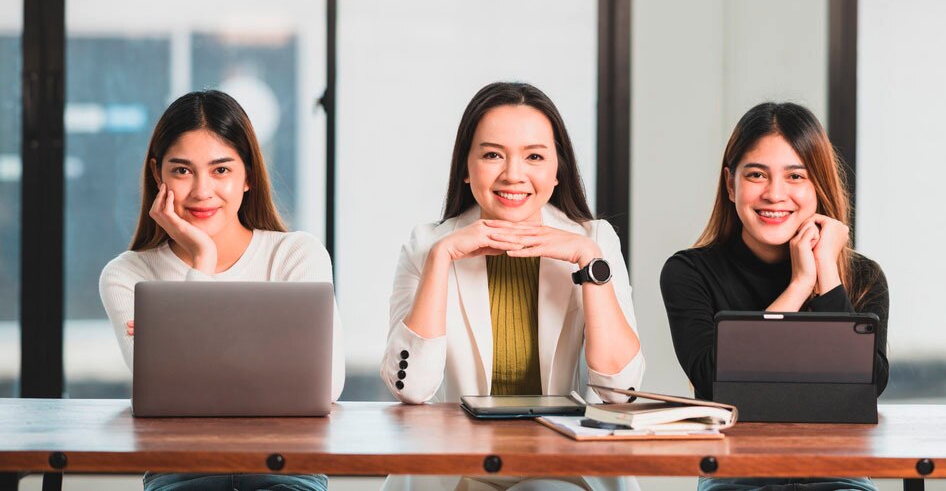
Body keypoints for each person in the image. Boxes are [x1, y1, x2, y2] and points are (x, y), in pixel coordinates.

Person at [381, 81, 644, 491]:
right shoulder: (428, 244)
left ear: (558, 170)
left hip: (561, 461)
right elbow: (410, 388)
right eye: (492, 155)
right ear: (466, 169)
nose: (513, 175)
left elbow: (620, 393)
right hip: (456, 462)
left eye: (534, 156)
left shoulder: (593, 240)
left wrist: (589, 261)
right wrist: (441, 259)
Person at [100, 90, 344, 491]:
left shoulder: (296, 254)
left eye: (220, 170)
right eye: (182, 171)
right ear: (157, 175)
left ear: (247, 175)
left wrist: (182, 341)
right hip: (180, 469)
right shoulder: (127, 274)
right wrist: (203, 256)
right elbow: (169, 398)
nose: (201, 191)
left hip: (287, 467)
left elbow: (327, 387)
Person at [660, 101, 889, 491]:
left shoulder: (863, 275)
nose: (775, 193)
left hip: (840, 470)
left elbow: (867, 386)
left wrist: (826, 275)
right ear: (731, 184)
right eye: (756, 175)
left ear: (818, 185)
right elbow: (716, 385)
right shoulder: (689, 271)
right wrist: (799, 285)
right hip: (734, 474)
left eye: (796, 175)